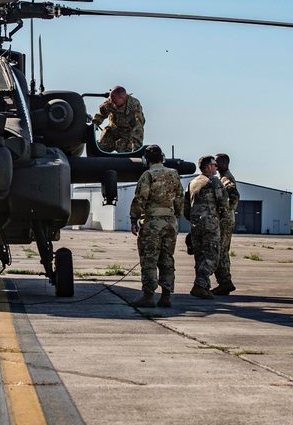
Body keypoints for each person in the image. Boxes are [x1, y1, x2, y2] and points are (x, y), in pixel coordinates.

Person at [127, 144, 184, 308]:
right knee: (167, 258)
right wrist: (175, 216)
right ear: (162, 158)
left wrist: (133, 219)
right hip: (170, 222)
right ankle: (166, 296)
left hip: (153, 222)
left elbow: (140, 199)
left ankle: (148, 295)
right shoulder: (174, 174)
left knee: (149, 258)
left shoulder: (148, 175)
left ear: (146, 159)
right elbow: (180, 198)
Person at [183, 155, 229, 299]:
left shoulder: (192, 183)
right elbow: (223, 203)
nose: (216, 167)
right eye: (214, 165)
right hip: (211, 224)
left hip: (196, 224)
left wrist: (194, 219)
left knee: (200, 256)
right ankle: (200, 284)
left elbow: (185, 208)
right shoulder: (214, 181)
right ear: (208, 167)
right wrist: (223, 219)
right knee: (212, 256)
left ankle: (204, 287)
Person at [213, 153, 240, 295]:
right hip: (226, 218)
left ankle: (225, 282)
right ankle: (225, 282)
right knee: (222, 251)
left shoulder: (226, 179)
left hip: (224, 220)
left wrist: (226, 210)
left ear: (224, 163)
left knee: (221, 251)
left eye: (217, 162)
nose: (215, 165)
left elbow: (234, 195)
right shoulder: (223, 177)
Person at [91, 86, 145, 152]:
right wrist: (94, 124)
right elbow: (101, 114)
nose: (112, 102)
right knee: (100, 148)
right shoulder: (110, 101)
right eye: (111, 99)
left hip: (128, 133)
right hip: (113, 130)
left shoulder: (134, 105)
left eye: (114, 100)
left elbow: (138, 127)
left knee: (125, 152)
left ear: (122, 98)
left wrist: (136, 150)